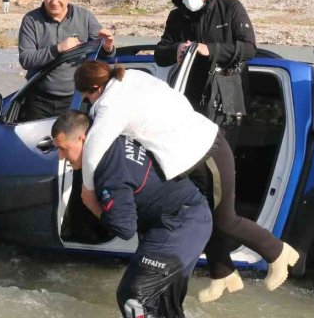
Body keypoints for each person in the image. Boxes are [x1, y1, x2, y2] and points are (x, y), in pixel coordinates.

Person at [74, 60, 300, 303]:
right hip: (189, 158)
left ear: (97, 87)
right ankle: (222, 273)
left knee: (226, 219)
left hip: (206, 153)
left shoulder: (111, 104)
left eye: (87, 96)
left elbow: (94, 148)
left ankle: (278, 253)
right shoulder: (129, 78)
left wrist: (87, 189)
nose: (88, 102)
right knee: (207, 214)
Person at [52, 110, 212, 318]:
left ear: (82, 138)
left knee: (133, 299)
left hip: (179, 226)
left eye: (64, 149)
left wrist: (91, 204)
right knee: (163, 307)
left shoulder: (109, 172)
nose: (61, 157)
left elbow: (125, 227)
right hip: (192, 220)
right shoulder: (113, 136)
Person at [155, 0, 256, 114]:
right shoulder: (176, 17)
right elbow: (160, 54)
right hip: (189, 99)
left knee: (223, 137)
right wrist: (176, 50)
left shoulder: (231, 8)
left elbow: (249, 49)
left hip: (227, 97)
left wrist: (208, 49)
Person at [17, 0, 115, 121]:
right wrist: (58, 48)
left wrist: (108, 47)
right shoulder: (31, 20)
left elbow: (104, 58)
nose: (54, 2)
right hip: (38, 101)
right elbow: (26, 59)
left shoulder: (85, 17)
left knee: (72, 145)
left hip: (77, 100)